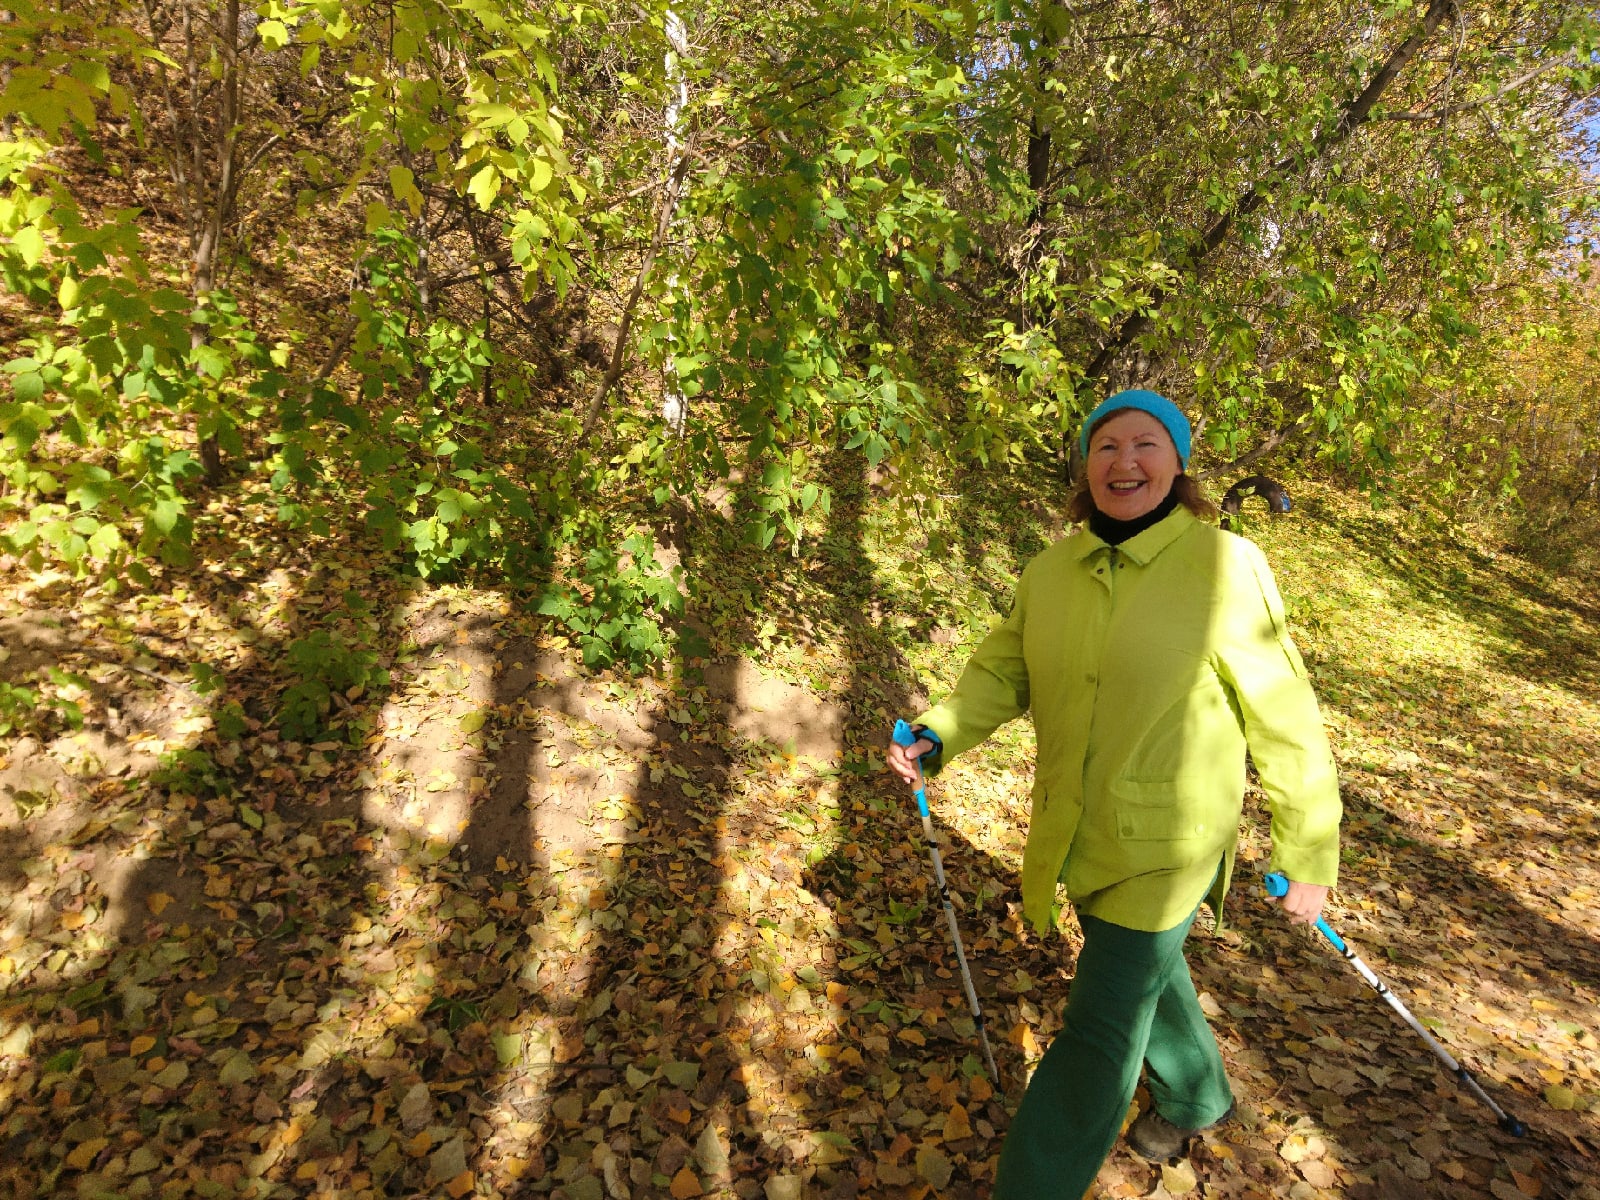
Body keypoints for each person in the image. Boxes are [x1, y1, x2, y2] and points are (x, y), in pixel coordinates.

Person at [886, 390, 1342, 1199]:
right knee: (1139, 978)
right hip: (1077, 829)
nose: (1124, 461)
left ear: (1178, 463)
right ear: (1085, 465)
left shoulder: (1225, 566)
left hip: (1172, 845)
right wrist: (939, 732)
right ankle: (1197, 1098)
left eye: (1145, 444)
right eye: (1106, 445)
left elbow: (1286, 717)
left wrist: (1306, 850)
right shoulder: (1052, 571)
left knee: (1098, 1033)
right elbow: (1004, 670)